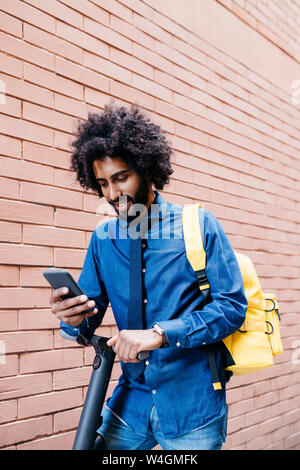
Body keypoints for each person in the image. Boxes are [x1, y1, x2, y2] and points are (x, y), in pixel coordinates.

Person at [49, 103, 247, 450]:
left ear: (146, 168)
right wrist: (72, 318)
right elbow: (86, 321)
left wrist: (160, 334)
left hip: (193, 406)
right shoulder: (103, 240)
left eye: (121, 178)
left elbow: (231, 308)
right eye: (103, 184)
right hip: (132, 402)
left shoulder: (199, 226)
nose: (112, 194)